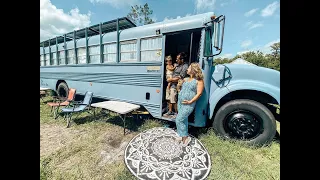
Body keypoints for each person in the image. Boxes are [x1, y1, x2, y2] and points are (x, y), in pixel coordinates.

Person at [175, 63, 204, 147]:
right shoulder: (186, 79)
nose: (187, 69)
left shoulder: (199, 80)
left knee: (179, 119)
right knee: (184, 120)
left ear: (193, 70)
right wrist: (179, 88)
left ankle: (185, 138)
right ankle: (181, 135)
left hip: (189, 104)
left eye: (189, 68)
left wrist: (190, 101)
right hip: (180, 102)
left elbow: (199, 94)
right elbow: (180, 87)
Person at [164, 52, 189, 116]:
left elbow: (180, 77)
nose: (176, 60)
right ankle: (170, 111)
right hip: (172, 84)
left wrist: (170, 79)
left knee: (174, 99)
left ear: (182, 59)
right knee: (170, 98)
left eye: (177, 59)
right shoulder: (177, 65)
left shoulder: (185, 66)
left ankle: (177, 113)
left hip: (177, 85)